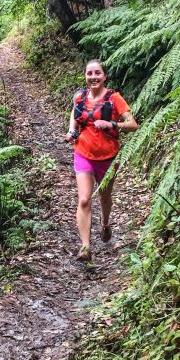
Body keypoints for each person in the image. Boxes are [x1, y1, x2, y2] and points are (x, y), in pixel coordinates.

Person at [64, 59, 138, 262]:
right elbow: (74, 112)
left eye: (98, 73)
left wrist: (112, 123)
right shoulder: (80, 96)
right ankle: (85, 247)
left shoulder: (115, 98)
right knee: (84, 199)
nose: (93, 77)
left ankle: (105, 224)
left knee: (105, 196)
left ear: (104, 76)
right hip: (83, 154)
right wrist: (72, 131)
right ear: (85, 76)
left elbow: (133, 124)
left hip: (108, 158)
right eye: (90, 73)